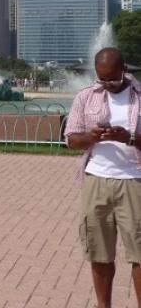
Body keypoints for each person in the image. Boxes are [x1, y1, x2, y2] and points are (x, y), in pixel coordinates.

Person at [65, 47, 141, 308]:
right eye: (101, 79)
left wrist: (128, 137)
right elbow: (71, 139)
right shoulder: (86, 96)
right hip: (96, 180)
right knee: (99, 252)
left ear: (125, 71)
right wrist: (91, 137)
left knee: (139, 254)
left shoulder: (139, 97)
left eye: (112, 78)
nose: (107, 84)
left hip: (135, 181)